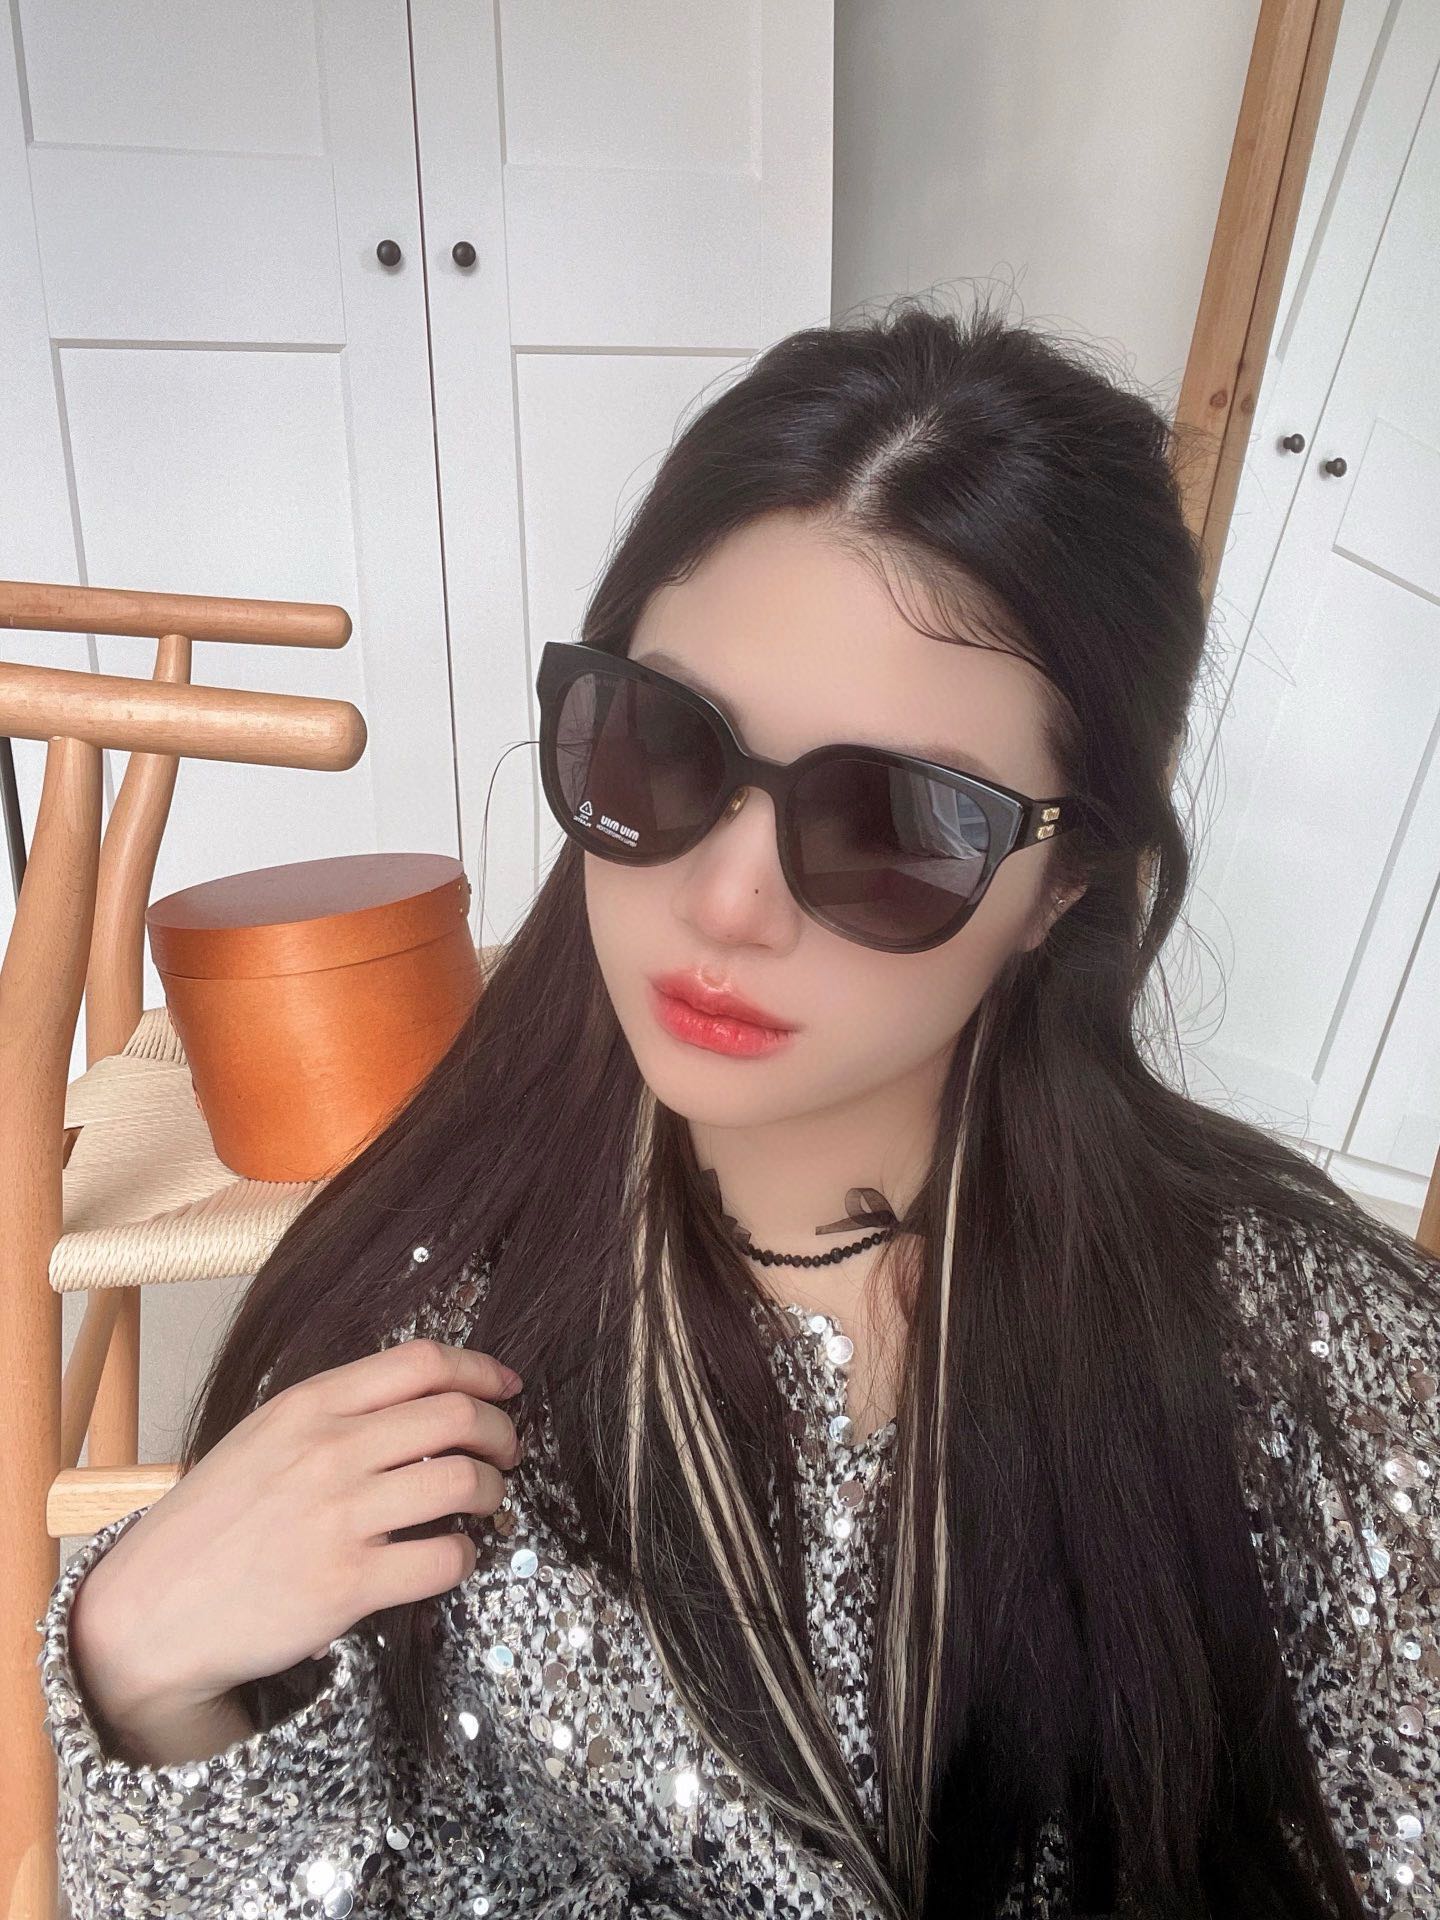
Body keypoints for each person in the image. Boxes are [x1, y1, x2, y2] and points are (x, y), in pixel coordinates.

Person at [36, 291, 1439, 1920]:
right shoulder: (413, 1333)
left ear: (1066, 887)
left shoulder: (1316, 1375)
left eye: (899, 824)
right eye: (662, 747)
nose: (725, 903)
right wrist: (143, 1675)